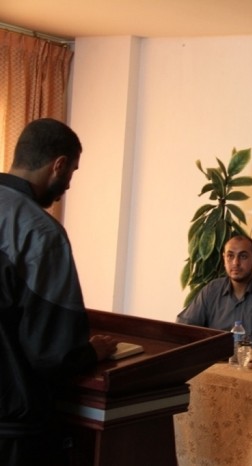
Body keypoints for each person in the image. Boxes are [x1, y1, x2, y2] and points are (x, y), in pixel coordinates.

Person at [0, 118, 118, 465]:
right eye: (72, 172)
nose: (68, 184)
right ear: (59, 165)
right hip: (12, 429)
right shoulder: (41, 233)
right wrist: (91, 351)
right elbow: (53, 353)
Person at [177, 234, 252, 348]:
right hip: (214, 355)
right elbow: (184, 324)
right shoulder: (212, 289)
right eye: (230, 256)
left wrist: (224, 345)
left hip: (250, 357)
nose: (235, 262)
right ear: (224, 259)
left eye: (243, 256)